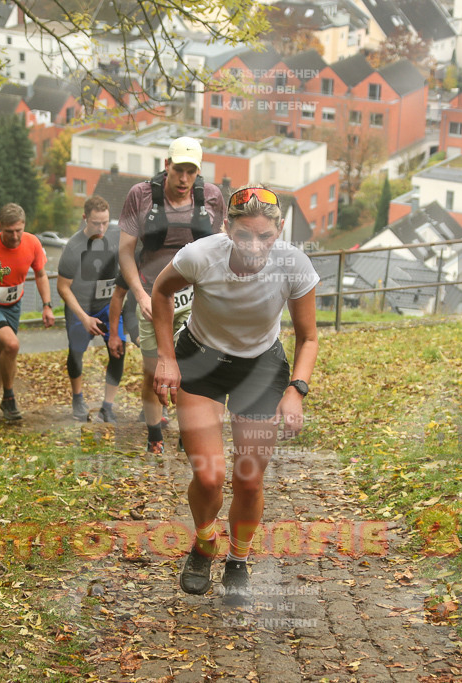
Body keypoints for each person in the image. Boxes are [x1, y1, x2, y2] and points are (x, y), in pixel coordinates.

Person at [150, 184, 319, 604]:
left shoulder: (293, 265)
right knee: (208, 476)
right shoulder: (200, 256)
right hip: (201, 361)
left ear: (279, 231)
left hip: (261, 368)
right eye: (244, 235)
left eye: (265, 236)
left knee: (248, 479)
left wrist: (296, 389)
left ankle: (238, 559)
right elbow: (161, 292)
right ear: (227, 227)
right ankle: (205, 543)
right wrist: (167, 358)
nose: (255, 246)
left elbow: (309, 337)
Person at [117, 136, 225, 453]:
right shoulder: (140, 196)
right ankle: (154, 436)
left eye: (191, 171)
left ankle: (188, 431)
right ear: (167, 166)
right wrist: (139, 294)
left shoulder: (212, 198)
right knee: (154, 369)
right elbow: (125, 252)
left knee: (193, 368)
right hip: (152, 295)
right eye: (178, 170)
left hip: (196, 299)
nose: (184, 179)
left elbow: (221, 247)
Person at [0, 203, 55, 419]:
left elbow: (40, 274)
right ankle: (9, 399)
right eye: (9, 231)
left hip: (14, 304)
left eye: (19, 230)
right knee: (12, 345)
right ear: (0, 226)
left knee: (0, 355)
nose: (15, 236)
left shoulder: (33, 243)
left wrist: (47, 305)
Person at [57, 195, 127, 422]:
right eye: (96, 223)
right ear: (85, 218)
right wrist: (84, 317)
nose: (101, 227)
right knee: (76, 354)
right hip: (81, 307)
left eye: (105, 222)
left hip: (108, 306)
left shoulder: (116, 236)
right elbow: (63, 288)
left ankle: (107, 406)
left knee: (118, 350)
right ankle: (78, 397)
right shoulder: (74, 247)